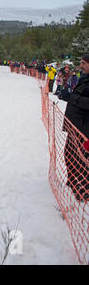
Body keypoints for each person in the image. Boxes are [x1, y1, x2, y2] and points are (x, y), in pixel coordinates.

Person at [63, 54, 89, 202]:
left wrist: (74, 98)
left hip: (85, 129)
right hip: (75, 125)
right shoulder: (84, 78)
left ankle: (84, 188)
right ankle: (73, 180)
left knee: (82, 159)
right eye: (81, 62)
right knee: (69, 153)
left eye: (84, 63)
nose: (81, 65)